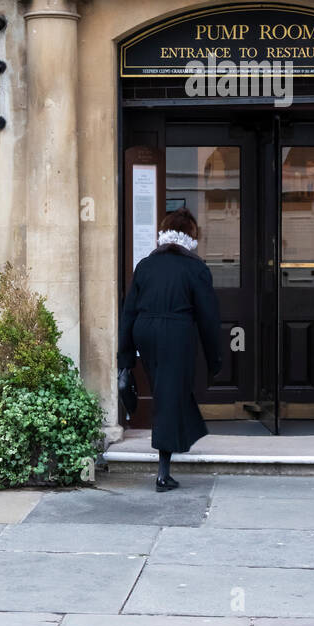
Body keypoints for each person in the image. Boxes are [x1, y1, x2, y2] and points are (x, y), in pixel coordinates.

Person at [118, 207, 221, 490]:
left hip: (145, 332)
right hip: (175, 333)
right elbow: (208, 318)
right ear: (191, 236)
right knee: (168, 396)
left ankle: (176, 449)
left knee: (168, 392)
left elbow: (128, 313)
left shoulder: (145, 265)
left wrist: (125, 361)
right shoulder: (195, 268)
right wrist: (216, 360)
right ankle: (163, 473)